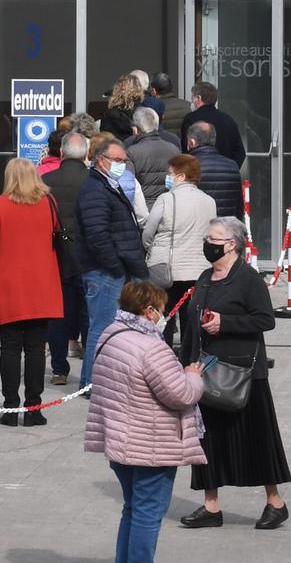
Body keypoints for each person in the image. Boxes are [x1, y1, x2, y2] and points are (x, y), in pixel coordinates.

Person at [85, 279, 207, 563]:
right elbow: (180, 394)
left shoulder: (110, 335)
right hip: (151, 442)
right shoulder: (152, 347)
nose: (163, 315)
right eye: (161, 310)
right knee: (148, 512)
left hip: (120, 440)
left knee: (132, 508)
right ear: (149, 311)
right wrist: (194, 376)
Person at [176, 216, 291, 532]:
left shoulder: (249, 279)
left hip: (243, 374)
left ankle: (275, 502)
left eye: (213, 238)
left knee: (258, 438)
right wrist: (186, 362)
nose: (207, 244)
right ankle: (211, 506)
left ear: (231, 244)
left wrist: (225, 322)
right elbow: (191, 324)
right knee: (207, 441)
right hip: (206, 372)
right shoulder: (203, 277)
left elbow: (265, 320)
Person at [0, 160, 61, 427]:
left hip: (9, 285)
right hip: (42, 285)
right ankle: (34, 407)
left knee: (10, 348)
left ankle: (11, 407)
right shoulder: (49, 203)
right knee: (37, 349)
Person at [76, 136, 148, 389]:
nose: (122, 165)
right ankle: (92, 382)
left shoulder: (108, 184)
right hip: (104, 271)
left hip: (117, 268)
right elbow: (97, 234)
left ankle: (100, 380)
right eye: (117, 160)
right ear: (101, 161)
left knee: (112, 327)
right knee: (101, 328)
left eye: (124, 161)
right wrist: (115, 267)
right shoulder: (94, 188)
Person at [43, 133, 90, 385]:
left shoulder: (46, 181)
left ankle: (59, 368)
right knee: (86, 312)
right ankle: (88, 370)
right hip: (86, 254)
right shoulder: (93, 180)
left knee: (57, 313)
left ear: (61, 153)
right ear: (85, 155)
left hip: (56, 253)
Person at [143, 154, 216, 307]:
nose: (167, 177)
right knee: (191, 318)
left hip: (169, 269)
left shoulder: (166, 198)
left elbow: (149, 231)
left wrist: (149, 247)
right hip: (200, 269)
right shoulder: (210, 201)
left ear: (181, 176)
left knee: (165, 314)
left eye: (170, 174)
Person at [184, 122, 243, 221]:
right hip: (225, 229)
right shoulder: (232, 165)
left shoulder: (186, 166)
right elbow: (238, 205)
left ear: (192, 142)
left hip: (197, 227)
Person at [181, 82, 246, 166]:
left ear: (199, 98)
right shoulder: (228, 120)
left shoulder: (190, 119)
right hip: (224, 172)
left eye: (192, 98)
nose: (192, 101)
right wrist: (231, 169)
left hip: (198, 172)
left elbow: (185, 150)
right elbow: (240, 152)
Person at [126, 108, 182, 206]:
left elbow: (128, 186)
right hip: (170, 205)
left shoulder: (131, 152)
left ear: (135, 130)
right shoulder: (174, 149)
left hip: (143, 207)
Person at [99, 75, 143, 141]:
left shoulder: (110, 114)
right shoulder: (144, 112)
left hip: (117, 148)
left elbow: (104, 137)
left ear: (118, 90)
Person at [152, 73, 192, 139]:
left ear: (154, 91)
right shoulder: (188, 106)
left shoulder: (153, 109)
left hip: (161, 147)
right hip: (182, 147)